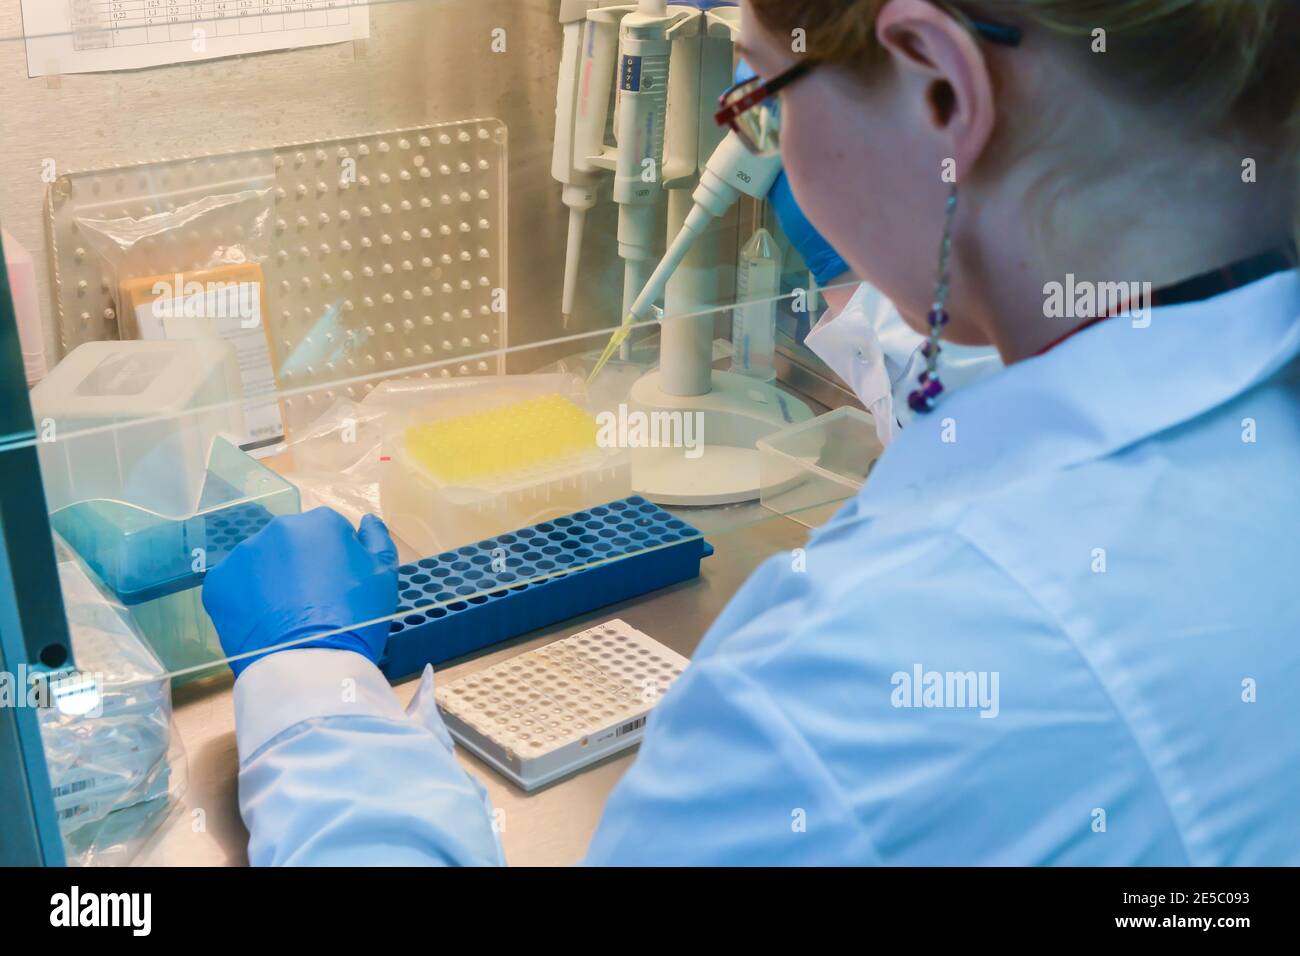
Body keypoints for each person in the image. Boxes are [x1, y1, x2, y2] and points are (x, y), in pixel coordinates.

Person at [203, 0, 1300, 865]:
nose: (765, 141)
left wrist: (309, 696)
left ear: (935, 87)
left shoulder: (839, 694)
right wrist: (888, 276)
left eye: (762, 93)